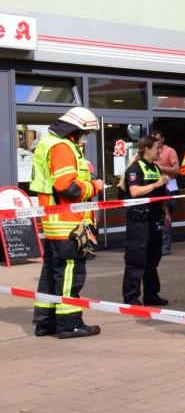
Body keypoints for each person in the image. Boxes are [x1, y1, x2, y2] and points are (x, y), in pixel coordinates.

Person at [30, 107, 105, 339]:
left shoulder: (48, 142)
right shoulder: (63, 147)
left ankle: (45, 323)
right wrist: (96, 186)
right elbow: (68, 188)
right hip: (68, 224)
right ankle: (69, 324)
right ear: (77, 128)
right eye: (87, 132)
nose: (87, 137)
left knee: (50, 275)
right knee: (71, 275)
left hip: (54, 222)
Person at [119, 136, 171, 306]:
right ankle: (131, 297)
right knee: (136, 259)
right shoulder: (135, 168)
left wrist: (166, 211)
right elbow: (134, 191)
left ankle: (151, 295)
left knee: (153, 259)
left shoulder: (155, 168)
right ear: (147, 149)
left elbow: (160, 194)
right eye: (157, 148)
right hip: (139, 222)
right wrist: (156, 184)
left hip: (155, 220)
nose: (160, 151)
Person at [152, 130, 179, 256]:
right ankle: (156, 245)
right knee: (156, 217)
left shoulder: (170, 151)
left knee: (166, 218)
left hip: (168, 188)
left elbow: (177, 171)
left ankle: (165, 247)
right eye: (153, 140)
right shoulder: (151, 151)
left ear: (163, 139)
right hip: (155, 189)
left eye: (157, 139)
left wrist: (161, 167)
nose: (155, 142)